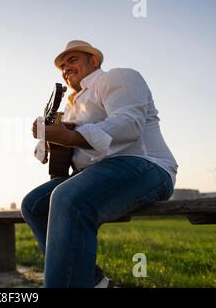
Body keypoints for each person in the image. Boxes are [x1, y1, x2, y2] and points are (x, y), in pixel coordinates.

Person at [22, 40, 178, 288]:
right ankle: (96, 284)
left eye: (72, 60)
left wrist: (70, 136)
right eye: (62, 66)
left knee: (67, 197)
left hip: (146, 166)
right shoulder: (71, 109)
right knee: (34, 204)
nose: (65, 68)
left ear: (93, 60)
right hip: (93, 174)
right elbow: (63, 149)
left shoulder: (119, 77)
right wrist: (46, 139)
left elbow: (128, 124)